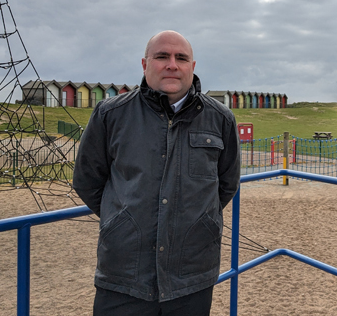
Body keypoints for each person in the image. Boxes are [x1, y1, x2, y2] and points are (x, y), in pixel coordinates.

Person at [73, 30, 241, 316]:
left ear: (193, 66)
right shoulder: (110, 115)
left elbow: (226, 184)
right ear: (144, 64)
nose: (172, 64)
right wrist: (123, 220)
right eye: (162, 56)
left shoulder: (220, 119)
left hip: (190, 276)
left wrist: (195, 221)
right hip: (124, 275)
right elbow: (87, 181)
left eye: (181, 58)